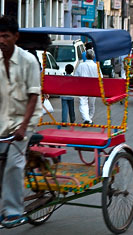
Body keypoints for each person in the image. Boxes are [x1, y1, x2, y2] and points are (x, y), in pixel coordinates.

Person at [0, 15, 42, 227]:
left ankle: (13, 212)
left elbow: (34, 95)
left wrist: (24, 126)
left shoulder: (28, 60)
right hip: (3, 118)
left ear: (15, 37)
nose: (1, 40)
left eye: (5, 36)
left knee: (13, 164)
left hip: (25, 118)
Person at [74, 49, 101, 124]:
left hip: (83, 87)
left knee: (83, 103)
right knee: (91, 104)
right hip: (93, 87)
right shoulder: (96, 66)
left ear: (86, 56)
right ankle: (89, 118)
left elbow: (75, 77)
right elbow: (100, 77)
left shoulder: (81, 65)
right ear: (93, 57)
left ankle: (87, 119)